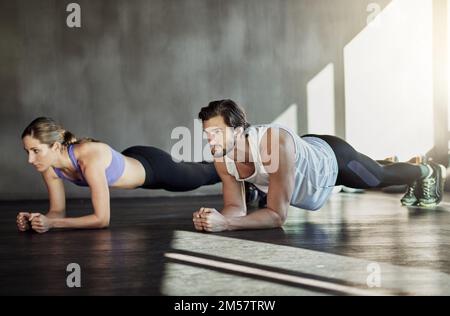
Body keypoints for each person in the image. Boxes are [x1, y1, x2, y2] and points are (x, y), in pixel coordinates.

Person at [192, 99, 446, 232]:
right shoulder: (222, 158)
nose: (209, 139)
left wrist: (225, 224)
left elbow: (276, 216)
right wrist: (211, 219)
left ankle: (427, 170)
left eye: (216, 132)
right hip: (308, 153)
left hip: (333, 160)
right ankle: (393, 161)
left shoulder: (273, 145)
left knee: (378, 178)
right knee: (375, 170)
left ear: (237, 131)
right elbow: (236, 208)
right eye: (207, 133)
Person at [17, 117, 221, 233]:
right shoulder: (49, 166)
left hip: (153, 167)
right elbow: (57, 212)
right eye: (28, 152)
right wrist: (38, 219)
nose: (30, 160)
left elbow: (102, 219)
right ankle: (241, 180)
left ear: (54, 146)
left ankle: (244, 169)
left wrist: (52, 223)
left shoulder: (88, 157)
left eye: (36, 151)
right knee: (200, 169)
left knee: (205, 175)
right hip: (132, 159)